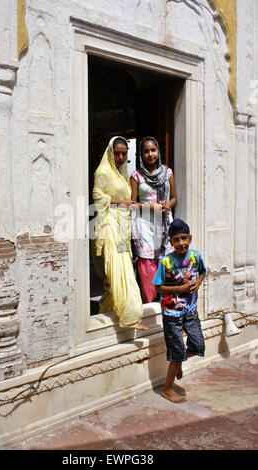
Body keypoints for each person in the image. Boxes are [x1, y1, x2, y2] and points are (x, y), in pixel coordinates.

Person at [92, 136, 148, 330]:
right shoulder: (103, 172)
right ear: (110, 153)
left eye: (124, 153)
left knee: (115, 274)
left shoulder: (122, 173)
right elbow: (97, 197)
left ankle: (105, 312)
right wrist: (122, 203)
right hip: (110, 228)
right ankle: (130, 315)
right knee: (119, 269)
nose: (121, 157)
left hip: (123, 228)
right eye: (117, 153)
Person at [152, 218, 206, 403]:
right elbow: (158, 288)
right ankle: (167, 389)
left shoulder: (195, 257)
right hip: (172, 314)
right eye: (177, 239)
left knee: (198, 346)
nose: (181, 243)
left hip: (190, 311)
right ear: (171, 242)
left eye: (184, 238)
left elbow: (203, 272)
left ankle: (179, 360)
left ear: (189, 238)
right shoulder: (166, 262)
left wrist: (198, 282)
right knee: (176, 352)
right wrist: (179, 290)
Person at [130, 136, 177, 303]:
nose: (150, 154)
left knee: (165, 260)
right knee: (147, 262)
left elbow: (174, 198)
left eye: (153, 150)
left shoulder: (168, 172)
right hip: (144, 224)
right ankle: (150, 302)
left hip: (164, 223)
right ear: (141, 155)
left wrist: (167, 206)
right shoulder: (136, 176)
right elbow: (132, 204)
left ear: (158, 151)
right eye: (146, 151)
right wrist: (152, 207)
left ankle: (168, 300)